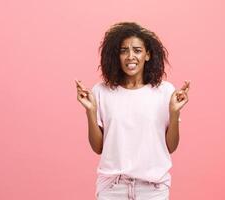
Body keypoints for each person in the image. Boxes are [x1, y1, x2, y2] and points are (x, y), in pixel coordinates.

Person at [75, 22, 190, 200]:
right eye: (123, 50)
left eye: (137, 50)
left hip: (153, 189)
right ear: (116, 55)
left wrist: (175, 114)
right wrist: (90, 111)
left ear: (148, 55)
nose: (130, 56)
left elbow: (171, 147)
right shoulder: (101, 92)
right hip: (113, 188)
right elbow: (98, 148)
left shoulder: (165, 91)